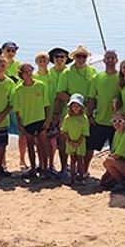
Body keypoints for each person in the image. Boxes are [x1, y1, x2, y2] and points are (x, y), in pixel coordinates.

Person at [55, 45, 96, 179]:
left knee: (85, 141)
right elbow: (60, 92)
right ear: (73, 57)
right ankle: (63, 168)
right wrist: (75, 103)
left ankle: (82, 170)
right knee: (64, 139)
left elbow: (94, 95)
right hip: (69, 112)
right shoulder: (66, 72)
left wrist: (89, 112)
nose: (81, 59)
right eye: (78, 56)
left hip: (86, 113)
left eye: (83, 56)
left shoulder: (93, 71)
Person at [87, 49, 122, 175]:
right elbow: (91, 98)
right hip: (99, 120)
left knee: (115, 151)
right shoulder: (97, 77)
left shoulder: (121, 77)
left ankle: (112, 174)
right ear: (103, 60)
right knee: (90, 147)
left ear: (117, 60)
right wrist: (90, 115)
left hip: (117, 123)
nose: (110, 60)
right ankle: (84, 171)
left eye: (113, 58)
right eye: (108, 58)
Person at [12, 62, 49, 177]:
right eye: (25, 72)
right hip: (27, 121)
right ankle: (33, 168)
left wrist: (48, 120)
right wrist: (19, 124)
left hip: (40, 119)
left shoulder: (41, 85)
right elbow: (17, 110)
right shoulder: (18, 90)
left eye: (30, 71)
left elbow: (46, 105)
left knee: (42, 145)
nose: (28, 74)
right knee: (30, 146)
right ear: (21, 74)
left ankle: (44, 168)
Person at [44, 47, 70, 177]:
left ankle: (64, 166)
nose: (59, 60)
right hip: (49, 112)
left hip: (66, 112)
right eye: (56, 57)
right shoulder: (48, 73)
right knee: (50, 140)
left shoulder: (69, 72)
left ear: (66, 59)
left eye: (62, 57)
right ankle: (50, 165)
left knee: (63, 140)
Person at [100, 111, 125, 188]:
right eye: (114, 121)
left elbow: (117, 156)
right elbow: (113, 152)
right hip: (121, 164)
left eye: (120, 121)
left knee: (107, 161)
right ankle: (122, 181)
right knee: (104, 181)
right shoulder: (117, 133)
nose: (117, 124)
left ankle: (122, 183)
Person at [62, 93, 91, 183]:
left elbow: (85, 132)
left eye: (78, 106)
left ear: (81, 107)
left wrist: (78, 141)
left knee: (80, 159)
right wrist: (69, 140)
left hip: (81, 143)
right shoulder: (67, 118)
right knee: (72, 159)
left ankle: (81, 177)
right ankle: (72, 178)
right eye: (73, 105)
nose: (75, 108)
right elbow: (64, 131)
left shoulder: (84, 118)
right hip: (70, 142)